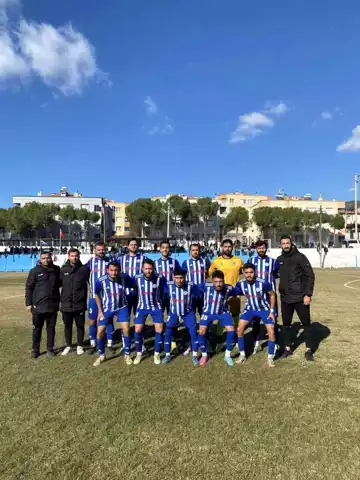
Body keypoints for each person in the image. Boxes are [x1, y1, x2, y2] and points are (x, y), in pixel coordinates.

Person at [277, 235, 315, 361]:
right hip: (285, 298)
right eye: (283, 243)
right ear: (281, 245)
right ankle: (287, 349)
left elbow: (310, 276)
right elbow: (274, 274)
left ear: (291, 244)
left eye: (288, 243)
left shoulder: (300, 257)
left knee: (306, 324)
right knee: (286, 325)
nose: (286, 245)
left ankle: (309, 350)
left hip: (300, 297)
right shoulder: (280, 259)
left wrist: (308, 294)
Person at [235, 263, 277, 368]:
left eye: (251, 272)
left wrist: (272, 311)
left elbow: (272, 294)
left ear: (255, 272)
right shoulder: (240, 283)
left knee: (271, 331)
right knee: (239, 329)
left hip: (264, 309)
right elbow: (236, 293)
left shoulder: (263, 283)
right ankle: (242, 355)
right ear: (243, 273)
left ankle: (270, 357)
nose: (249, 275)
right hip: (250, 309)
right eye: (247, 273)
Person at [94, 262, 132, 367]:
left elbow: (135, 285)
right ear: (107, 270)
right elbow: (96, 294)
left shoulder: (124, 277)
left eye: (116, 270)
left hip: (122, 307)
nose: (114, 272)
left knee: (126, 329)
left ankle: (127, 354)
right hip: (107, 309)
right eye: (111, 270)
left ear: (119, 270)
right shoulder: (100, 281)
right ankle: (101, 355)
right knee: (100, 332)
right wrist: (100, 311)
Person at [197, 270, 238, 367]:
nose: (218, 284)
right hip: (208, 313)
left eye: (220, 281)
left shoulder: (228, 288)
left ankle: (227, 356)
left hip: (222, 313)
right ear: (212, 281)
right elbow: (192, 289)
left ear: (223, 281)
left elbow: (238, 291)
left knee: (231, 330)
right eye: (216, 282)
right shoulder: (205, 286)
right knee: (201, 331)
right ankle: (204, 355)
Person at [208, 238, 244, 348]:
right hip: (220, 294)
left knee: (235, 315)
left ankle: (237, 338)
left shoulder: (238, 260)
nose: (227, 248)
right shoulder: (216, 261)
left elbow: (245, 272)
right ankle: (219, 339)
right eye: (225, 246)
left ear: (232, 247)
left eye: (229, 246)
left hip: (234, 294)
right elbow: (210, 274)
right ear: (222, 247)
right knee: (221, 316)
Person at [25, 251, 61, 358]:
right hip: (38, 306)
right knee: (37, 329)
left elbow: (59, 283)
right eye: (44, 258)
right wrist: (28, 303)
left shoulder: (57, 269)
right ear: (40, 259)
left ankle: (50, 349)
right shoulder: (34, 271)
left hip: (52, 305)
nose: (46, 260)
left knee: (51, 329)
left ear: (51, 258)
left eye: (48, 258)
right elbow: (29, 288)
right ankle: (35, 350)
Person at [162, 268, 199, 366]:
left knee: (193, 333)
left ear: (185, 277)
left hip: (188, 313)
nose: (179, 280)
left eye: (182, 278)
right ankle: (167, 355)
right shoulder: (168, 285)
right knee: (168, 333)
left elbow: (200, 293)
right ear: (173, 277)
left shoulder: (191, 285)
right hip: (174, 313)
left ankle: (195, 355)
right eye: (177, 278)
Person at [132, 258, 165, 365]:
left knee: (159, 330)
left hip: (156, 307)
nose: (148, 271)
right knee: (137, 329)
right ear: (142, 269)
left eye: (150, 269)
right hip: (142, 307)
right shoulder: (136, 278)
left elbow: (166, 290)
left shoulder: (159, 278)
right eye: (146, 269)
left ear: (153, 269)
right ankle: (139, 353)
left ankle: (156, 354)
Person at [251, 240, 280, 354]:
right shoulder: (251, 260)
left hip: (270, 295)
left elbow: (277, 274)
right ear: (256, 249)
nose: (261, 250)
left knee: (274, 318)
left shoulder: (273, 261)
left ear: (266, 248)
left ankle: (275, 342)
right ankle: (257, 342)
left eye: (263, 248)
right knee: (256, 319)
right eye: (259, 248)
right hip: (256, 295)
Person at [60, 248, 89, 356]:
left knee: (80, 326)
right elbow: (57, 284)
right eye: (72, 256)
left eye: (76, 256)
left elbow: (91, 282)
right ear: (68, 256)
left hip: (79, 304)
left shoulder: (84, 269)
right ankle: (68, 345)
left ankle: (80, 345)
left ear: (79, 256)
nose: (74, 258)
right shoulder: (63, 270)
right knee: (67, 326)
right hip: (66, 304)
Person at [86, 242, 109, 355]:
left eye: (103, 249)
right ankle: (93, 344)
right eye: (99, 250)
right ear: (95, 250)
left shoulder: (110, 261)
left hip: (108, 298)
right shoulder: (90, 262)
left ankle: (108, 343)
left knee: (107, 320)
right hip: (93, 297)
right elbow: (82, 274)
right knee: (93, 320)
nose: (101, 251)